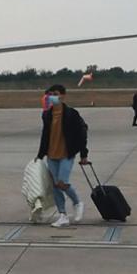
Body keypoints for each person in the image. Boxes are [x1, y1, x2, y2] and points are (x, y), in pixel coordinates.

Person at [36, 84, 88, 228]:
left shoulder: (72, 113)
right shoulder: (47, 114)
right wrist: (40, 155)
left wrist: (84, 154)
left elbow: (82, 133)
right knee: (55, 186)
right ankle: (63, 215)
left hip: (67, 153)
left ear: (63, 95)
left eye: (56, 93)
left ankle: (77, 202)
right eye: (51, 94)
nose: (53, 96)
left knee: (62, 182)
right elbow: (45, 135)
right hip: (52, 154)